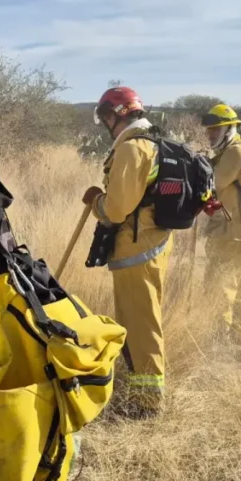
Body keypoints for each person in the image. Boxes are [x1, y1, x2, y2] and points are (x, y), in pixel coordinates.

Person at [83, 86, 172, 418]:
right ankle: (140, 393)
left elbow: (117, 209)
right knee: (138, 321)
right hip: (150, 243)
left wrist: (95, 201)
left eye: (106, 116)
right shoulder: (152, 142)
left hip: (137, 249)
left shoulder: (132, 149)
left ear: (117, 114)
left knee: (141, 324)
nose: (105, 123)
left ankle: (148, 405)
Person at [200, 104, 241, 350]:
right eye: (209, 130)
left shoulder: (236, 152)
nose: (211, 134)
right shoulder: (232, 150)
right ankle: (240, 337)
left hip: (231, 232)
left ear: (230, 127)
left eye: (216, 128)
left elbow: (211, 185)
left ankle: (216, 342)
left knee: (220, 285)